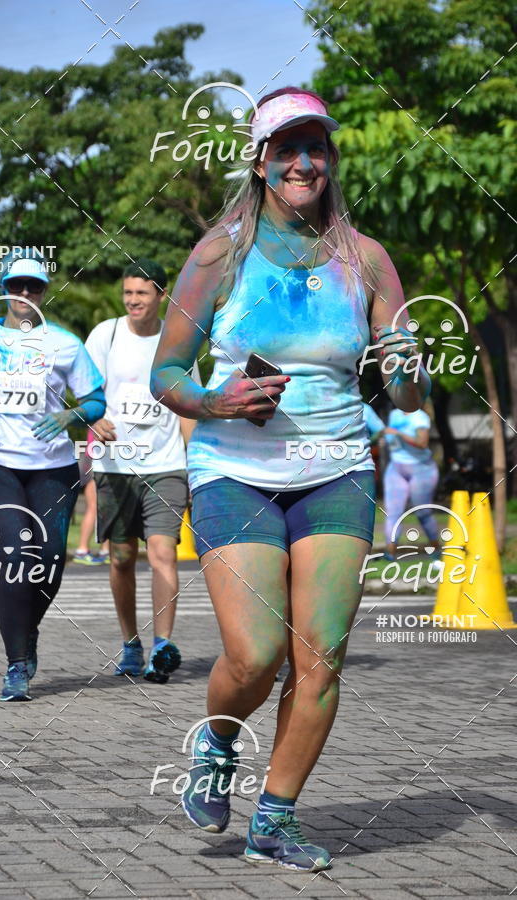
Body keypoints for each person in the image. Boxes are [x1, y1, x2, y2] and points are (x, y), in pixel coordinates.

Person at [151, 87, 430, 871]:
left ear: (331, 158)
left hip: (336, 468)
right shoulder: (221, 252)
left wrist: (407, 371)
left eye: (317, 147)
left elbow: (405, 391)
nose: (304, 161)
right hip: (233, 469)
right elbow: (165, 372)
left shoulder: (367, 259)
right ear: (262, 160)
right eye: (287, 148)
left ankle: (273, 820)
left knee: (321, 655)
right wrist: (215, 400)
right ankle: (215, 744)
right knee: (256, 652)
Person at [0, 250, 105, 702]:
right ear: (4, 290)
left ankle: (25, 630)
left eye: (33, 286)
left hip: (52, 468)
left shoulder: (66, 344)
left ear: (44, 292)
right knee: (15, 554)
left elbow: (96, 400)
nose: (25, 294)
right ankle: (16, 664)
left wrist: (73, 415)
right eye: (17, 286)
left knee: (49, 561)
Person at [85, 259, 198, 684]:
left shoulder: (177, 342)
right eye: (128, 293)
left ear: (161, 296)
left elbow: (189, 407)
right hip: (114, 466)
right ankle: (131, 642)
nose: (133, 300)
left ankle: (162, 646)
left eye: (142, 293)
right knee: (121, 558)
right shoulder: (106, 335)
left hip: (166, 465)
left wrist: (195, 467)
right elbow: (85, 390)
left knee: (162, 551)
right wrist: (93, 420)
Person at [383, 400, 440, 559]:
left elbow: (422, 443)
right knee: (393, 512)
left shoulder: (420, 417)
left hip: (421, 469)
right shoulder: (394, 414)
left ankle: (436, 549)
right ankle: (390, 554)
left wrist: (399, 434)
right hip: (396, 467)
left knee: (423, 512)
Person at [74, 428, 110, 565]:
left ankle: (106, 550)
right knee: (94, 507)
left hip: (99, 460)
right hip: (96, 461)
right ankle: (82, 550)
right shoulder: (102, 412)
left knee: (107, 508)